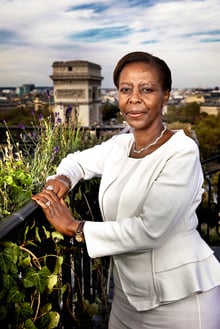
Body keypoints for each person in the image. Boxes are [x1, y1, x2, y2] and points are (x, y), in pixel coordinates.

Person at [32, 51, 220, 329]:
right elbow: (77, 161)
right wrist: (62, 179)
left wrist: (75, 227)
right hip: (126, 297)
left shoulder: (182, 151)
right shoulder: (121, 144)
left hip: (180, 301)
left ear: (165, 96)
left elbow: (150, 229)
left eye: (147, 89)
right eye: (125, 89)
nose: (134, 98)